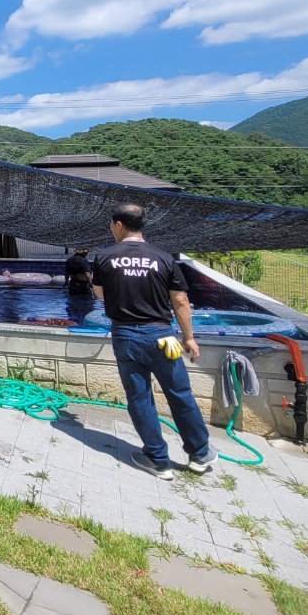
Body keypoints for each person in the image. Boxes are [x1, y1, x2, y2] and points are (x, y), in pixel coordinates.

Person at [92, 203, 215, 478]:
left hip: (125, 335)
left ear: (119, 225)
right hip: (162, 337)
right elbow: (180, 301)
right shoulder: (163, 258)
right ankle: (199, 453)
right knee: (180, 393)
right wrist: (189, 338)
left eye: (111, 224)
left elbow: (100, 294)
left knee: (140, 398)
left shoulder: (104, 257)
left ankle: (157, 459)